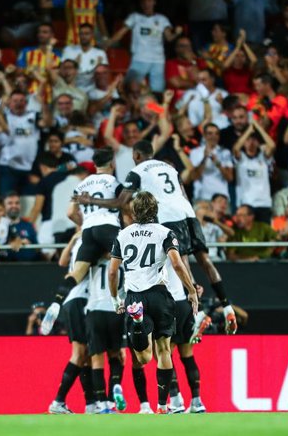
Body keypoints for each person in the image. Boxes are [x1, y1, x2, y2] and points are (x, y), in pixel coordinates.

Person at [82, 140, 239, 335]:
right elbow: (183, 194)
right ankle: (227, 307)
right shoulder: (169, 167)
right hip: (187, 212)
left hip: (168, 216)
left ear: (137, 155)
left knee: (180, 262)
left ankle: (197, 315)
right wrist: (190, 216)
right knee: (205, 260)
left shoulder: (137, 172)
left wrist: (90, 200)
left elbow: (119, 202)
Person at [108, 191, 198, 414]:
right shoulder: (166, 232)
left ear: (133, 211)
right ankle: (161, 405)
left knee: (143, 357)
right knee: (164, 350)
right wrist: (191, 290)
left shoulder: (123, 235)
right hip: (159, 295)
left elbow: (112, 272)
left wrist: (114, 298)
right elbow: (177, 264)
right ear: (155, 210)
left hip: (134, 296)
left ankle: (138, 322)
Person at [42, 148, 122, 335]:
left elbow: (70, 212)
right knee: (129, 259)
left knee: (76, 272)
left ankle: (56, 302)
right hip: (109, 227)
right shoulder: (114, 182)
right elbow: (124, 206)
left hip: (88, 231)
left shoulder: (81, 184)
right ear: (112, 163)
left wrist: (85, 222)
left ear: (94, 165)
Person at [47, 231, 95, 415]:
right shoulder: (94, 239)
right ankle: (58, 401)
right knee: (80, 354)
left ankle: (91, 404)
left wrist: (73, 238)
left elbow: (61, 262)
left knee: (87, 355)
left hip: (75, 299)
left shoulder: (80, 240)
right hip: (79, 298)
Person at [104, 0, 181, 93]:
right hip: (139, 59)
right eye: (143, 1)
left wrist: (177, 32)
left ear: (154, 2)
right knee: (129, 89)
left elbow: (169, 37)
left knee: (157, 91)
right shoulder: (134, 17)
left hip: (158, 60)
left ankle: (154, 109)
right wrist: (108, 43)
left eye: (149, 0)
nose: (146, 3)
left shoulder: (162, 19)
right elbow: (121, 33)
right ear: (141, 4)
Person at [84, 252, 128, 414]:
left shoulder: (94, 258)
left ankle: (101, 404)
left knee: (97, 359)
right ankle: (112, 397)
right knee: (117, 356)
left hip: (95, 308)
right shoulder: (125, 261)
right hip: (116, 309)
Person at [163, 260, 206, 414]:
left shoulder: (153, 244)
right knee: (187, 355)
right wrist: (193, 287)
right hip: (184, 304)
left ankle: (175, 401)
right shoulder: (175, 246)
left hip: (168, 304)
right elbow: (183, 264)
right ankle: (197, 401)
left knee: (165, 353)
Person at [40, 0, 107, 46]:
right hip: (72, 41)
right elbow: (43, 4)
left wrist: (105, 37)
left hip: (90, 41)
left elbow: (100, 18)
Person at [0, 91, 43, 194]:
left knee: (29, 200)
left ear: (26, 103)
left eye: (21, 101)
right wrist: (0, 106)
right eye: (15, 101)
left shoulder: (33, 115)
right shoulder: (3, 117)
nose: (18, 103)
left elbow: (47, 122)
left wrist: (43, 104)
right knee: (7, 199)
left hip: (30, 167)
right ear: (9, 103)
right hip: (8, 166)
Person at [232, 120, 276, 223]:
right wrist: (249, 130)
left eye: (254, 140)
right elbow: (236, 148)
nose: (251, 142)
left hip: (264, 204)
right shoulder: (241, 158)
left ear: (258, 142)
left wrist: (257, 126)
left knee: (263, 238)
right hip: (245, 204)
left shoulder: (263, 158)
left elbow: (272, 146)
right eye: (247, 140)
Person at [189, 123, 234, 202]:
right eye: (210, 133)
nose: (213, 136)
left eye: (216, 134)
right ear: (204, 135)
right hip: (202, 197)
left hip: (221, 197)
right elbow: (194, 177)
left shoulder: (225, 152)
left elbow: (230, 178)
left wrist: (218, 163)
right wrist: (204, 158)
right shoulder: (195, 152)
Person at [61, 23, 108, 94]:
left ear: (92, 35)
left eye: (86, 34)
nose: (83, 36)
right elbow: (62, 72)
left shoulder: (100, 53)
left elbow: (105, 77)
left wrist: (98, 67)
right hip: (72, 87)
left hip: (92, 89)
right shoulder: (69, 50)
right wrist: (74, 65)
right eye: (81, 34)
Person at [4, 192, 40, 262]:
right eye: (10, 203)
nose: (14, 206)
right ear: (4, 206)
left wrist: (27, 244)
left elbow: (38, 248)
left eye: (17, 203)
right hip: (5, 267)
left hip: (30, 267)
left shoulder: (28, 225)